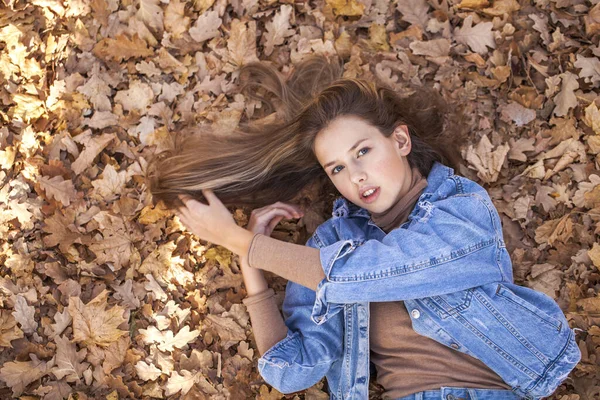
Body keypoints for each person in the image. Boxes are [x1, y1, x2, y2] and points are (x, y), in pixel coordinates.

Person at [146, 56, 580, 400]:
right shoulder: (332, 244)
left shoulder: (463, 208)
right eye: (337, 167)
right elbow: (294, 369)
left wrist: (240, 240)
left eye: (363, 151)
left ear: (401, 141)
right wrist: (251, 266)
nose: (355, 176)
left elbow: (380, 270)